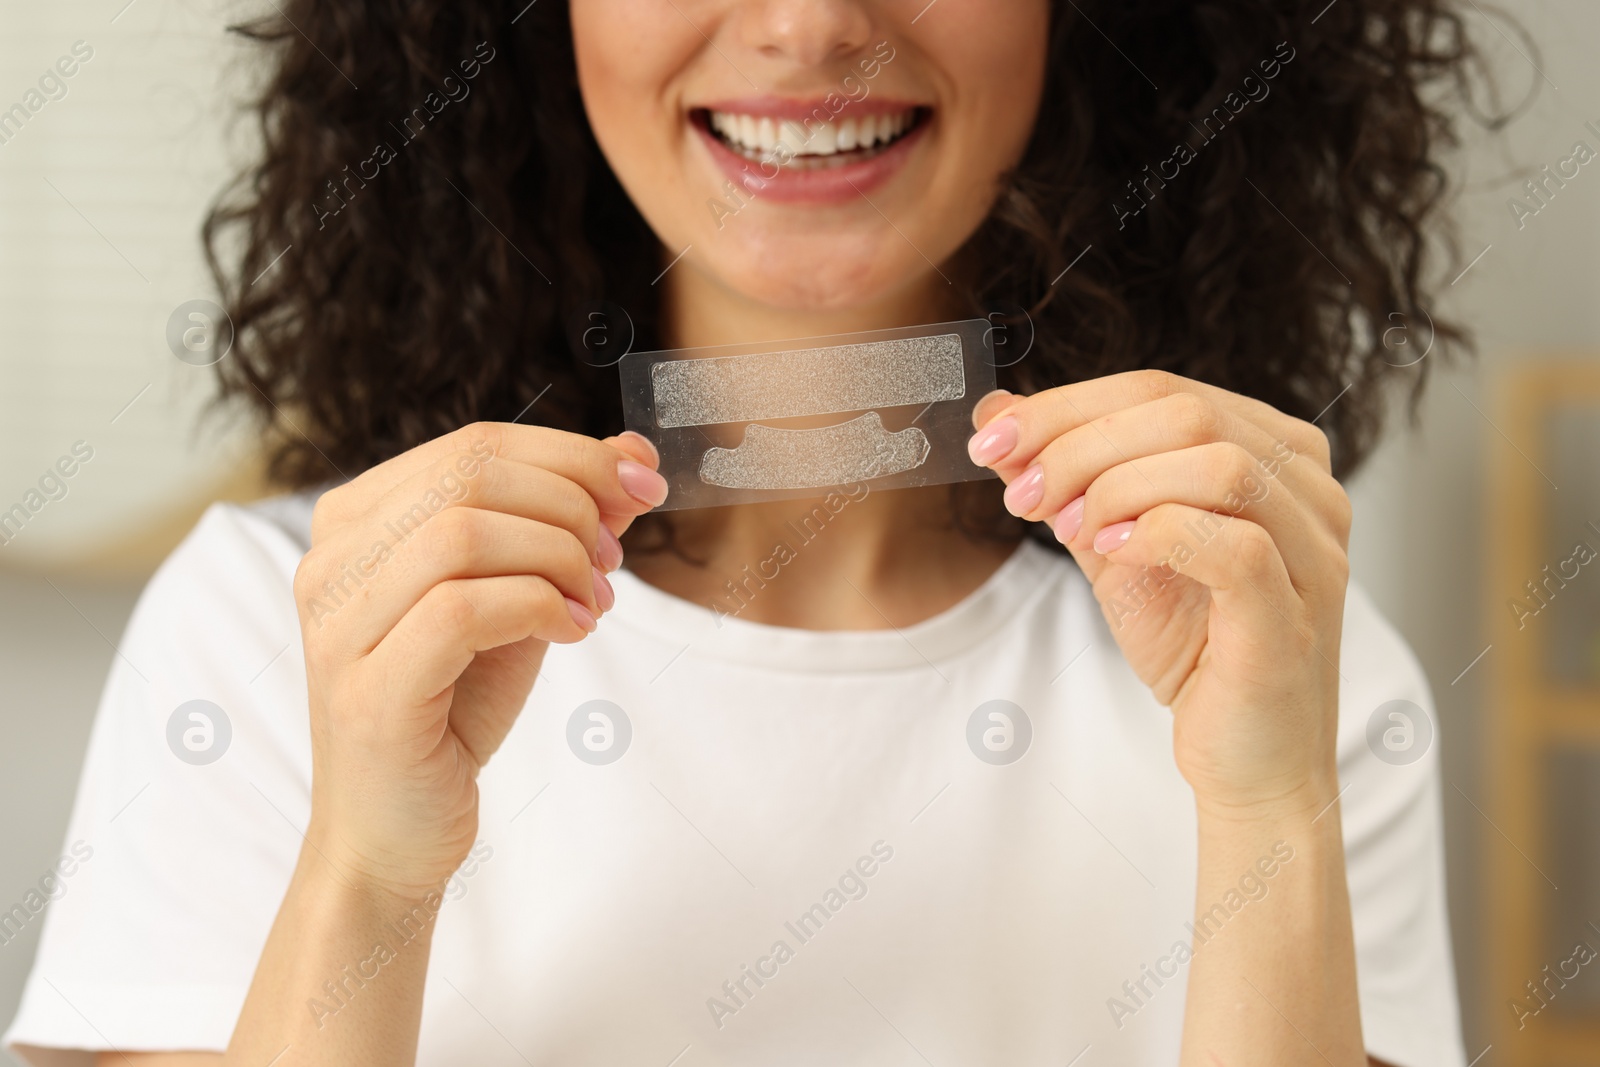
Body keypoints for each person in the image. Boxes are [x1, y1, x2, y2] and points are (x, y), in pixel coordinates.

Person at [5, 1, 1485, 1064]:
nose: (809, 23)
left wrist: (1269, 816)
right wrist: (367, 874)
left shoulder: (1287, 674)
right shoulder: (281, 626)